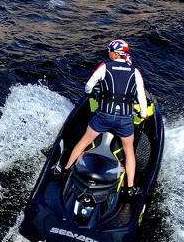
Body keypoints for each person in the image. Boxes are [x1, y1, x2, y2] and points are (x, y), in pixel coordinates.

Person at [62, 39, 148, 197]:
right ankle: (130, 188)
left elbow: (89, 86)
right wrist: (143, 114)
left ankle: (65, 170)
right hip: (124, 119)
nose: (108, 53)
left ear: (115, 53)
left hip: (104, 117)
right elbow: (141, 97)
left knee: (84, 141)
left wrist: (90, 94)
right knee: (129, 152)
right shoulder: (135, 71)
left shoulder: (104, 67)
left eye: (109, 51)